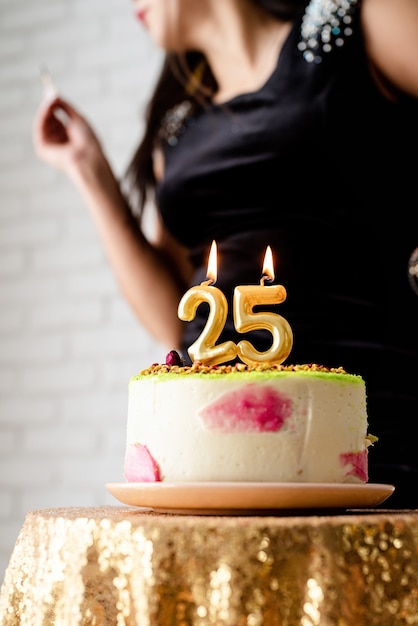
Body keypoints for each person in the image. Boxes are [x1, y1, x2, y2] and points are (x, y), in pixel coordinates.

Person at [33, 0, 418, 507]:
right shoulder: (177, 128)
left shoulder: (356, 21)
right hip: (211, 456)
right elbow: (173, 316)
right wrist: (90, 172)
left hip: (373, 426)